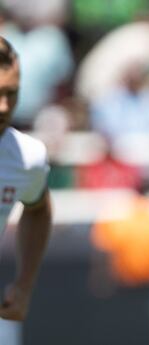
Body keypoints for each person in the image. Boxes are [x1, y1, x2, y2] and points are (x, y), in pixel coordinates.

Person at [0, 36, 52, 324]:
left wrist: (24, 285)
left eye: (12, 94)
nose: (4, 106)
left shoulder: (27, 157)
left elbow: (38, 209)